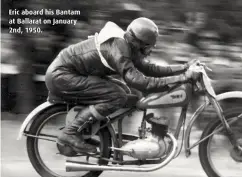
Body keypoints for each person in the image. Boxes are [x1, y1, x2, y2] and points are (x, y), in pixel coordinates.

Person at [45, 17, 201, 154]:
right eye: (148, 46)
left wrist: (185, 67)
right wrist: (181, 79)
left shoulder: (128, 46)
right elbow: (141, 82)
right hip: (62, 76)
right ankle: (71, 132)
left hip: (72, 75)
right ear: (138, 42)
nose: (150, 50)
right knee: (116, 96)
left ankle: (103, 135)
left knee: (126, 94)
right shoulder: (119, 48)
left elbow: (149, 69)